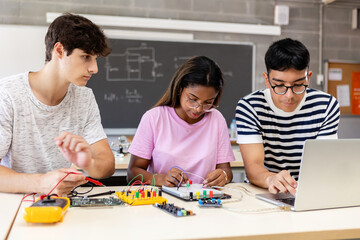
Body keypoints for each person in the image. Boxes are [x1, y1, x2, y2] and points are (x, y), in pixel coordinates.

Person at [0, 13, 115, 195]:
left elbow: (107, 165)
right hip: (15, 209)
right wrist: (41, 183)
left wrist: (88, 163)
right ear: (59, 50)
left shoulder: (84, 98)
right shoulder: (7, 93)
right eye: (86, 57)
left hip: (60, 205)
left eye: (95, 59)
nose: (95, 68)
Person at [235, 38, 340, 196]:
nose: (289, 95)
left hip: (307, 192)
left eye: (298, 84)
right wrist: (271, 179)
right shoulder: (250, 107)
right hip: (264, 191)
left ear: (308, 77)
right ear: (267, 80)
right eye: (279, 85)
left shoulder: (326, 106)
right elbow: (253, 167)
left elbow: (322, 164)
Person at [127, 56, 235, 187]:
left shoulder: (216, 119)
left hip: (204, 200)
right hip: (162, 200)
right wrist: (161, 179)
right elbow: (132, 174)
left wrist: (223, 176)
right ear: (179, 89)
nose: (199, 108)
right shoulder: (154, 118)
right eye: (192, 99)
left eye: (208, 102)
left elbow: (226, 170)